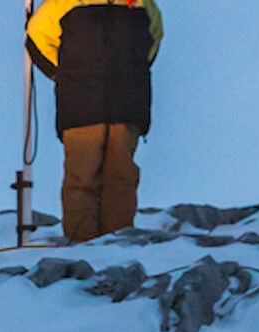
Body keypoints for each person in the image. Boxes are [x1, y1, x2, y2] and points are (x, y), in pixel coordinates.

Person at [28, 0, 164, 243]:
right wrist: (66, 74)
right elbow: (152, 43)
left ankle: (103, 245)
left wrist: (65, 74)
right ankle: (96, 244)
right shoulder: (142, 4)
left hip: (102, 104)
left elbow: (37, 39)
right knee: (103, 178)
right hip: (111, 103)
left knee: (104, 178)